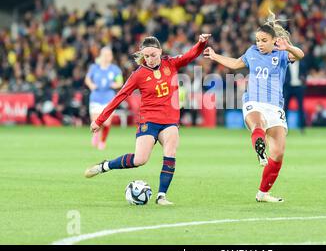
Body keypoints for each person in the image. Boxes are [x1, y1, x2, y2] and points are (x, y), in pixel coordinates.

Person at [84, 33, 211, 206]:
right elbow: (120, 96)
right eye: (146, 56)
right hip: (149, 120)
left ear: (160, 51)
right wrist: (99, 120)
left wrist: (201, 43)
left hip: (169, 121)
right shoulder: (139, 75)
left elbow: (191, 55)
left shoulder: (171, 64)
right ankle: (104, 166)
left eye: (153, 55)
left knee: (170, 151)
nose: (150, 59)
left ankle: (161, 196)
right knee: (140, 160)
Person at [204, 12, 304, 203]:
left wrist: (288, 46)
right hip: (254, 101)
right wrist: (215, 56)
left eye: (263, 40)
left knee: (278, 153)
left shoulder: (282, 54)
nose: (259, 43)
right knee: (257, 123)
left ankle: (263, 193)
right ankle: (259, 150)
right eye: (257, 40)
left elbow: (300, 55)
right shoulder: (251, 53)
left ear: (274, 40)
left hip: (275, 106)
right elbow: (235, 63)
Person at [85, 46, 124, 150]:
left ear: (111, 57)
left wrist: (115, 85)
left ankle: (103, 141)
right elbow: (88, 79)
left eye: (108, 55)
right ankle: (96, 135)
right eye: (104, 55)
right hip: (96, 97)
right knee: (96, 121)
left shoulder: (115, 69)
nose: (106, 57)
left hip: (109, 99)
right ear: (100, 56)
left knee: (106, 122)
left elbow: (120, 82)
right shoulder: (94, 67)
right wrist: (91, 85)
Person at [283, 57, 307, 133]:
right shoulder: (286, 64)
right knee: (285, 108)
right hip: (288, 88)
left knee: (301, 108)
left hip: (299, 87)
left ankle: (302, 127)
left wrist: (303, 79)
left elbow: (305, 74)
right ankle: (284, 127)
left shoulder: (302, 64)